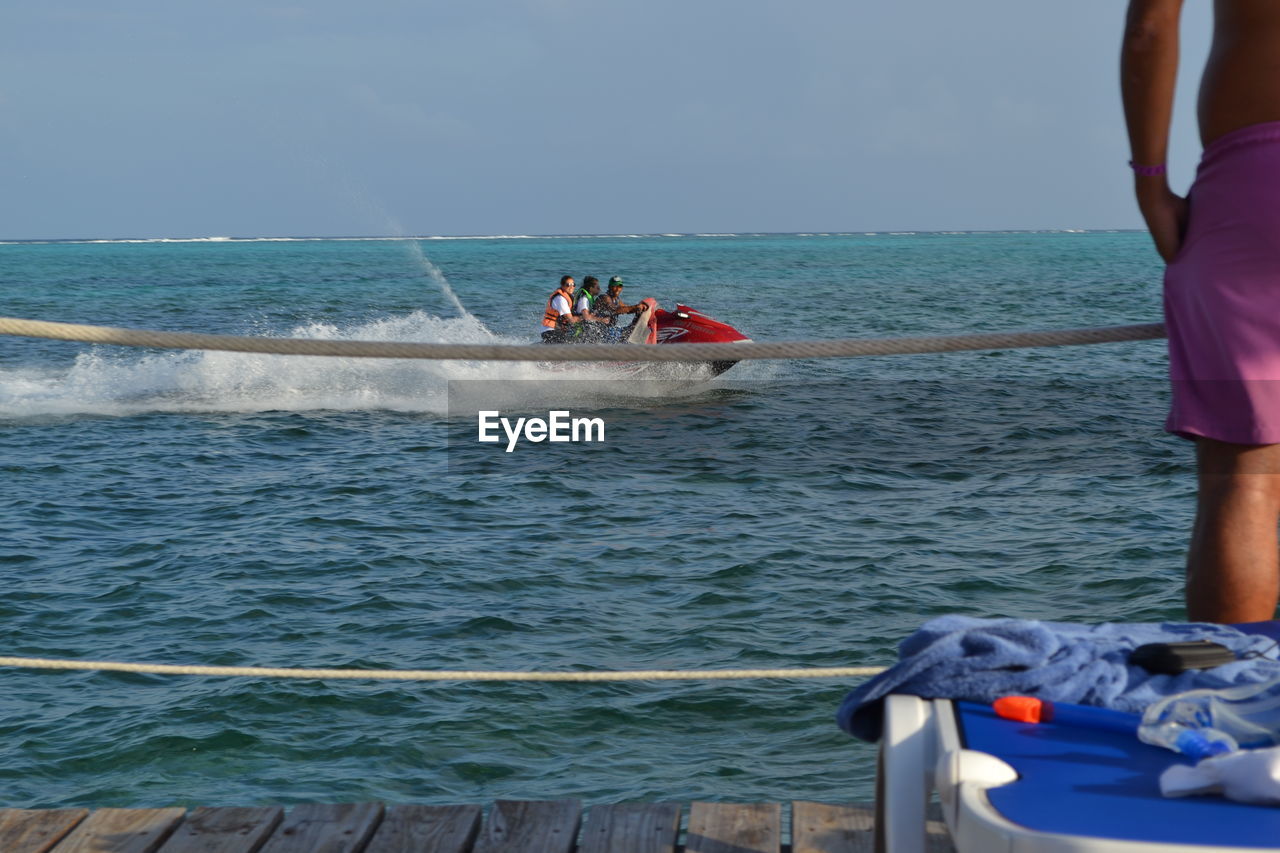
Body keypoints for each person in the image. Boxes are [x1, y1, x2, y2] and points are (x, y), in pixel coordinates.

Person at [1123, 0, 1280, 622]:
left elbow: (1150, 29)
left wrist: (1150, 183)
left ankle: (1227, 694)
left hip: (1257, 179)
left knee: (1246, 473)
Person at [540, 275, 580, 343]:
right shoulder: (560, 299)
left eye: (573, 284)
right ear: (562, 285)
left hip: (558, 329)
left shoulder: (568, 296)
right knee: (571, 343)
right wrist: (586, 318)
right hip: (549, 330)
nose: (571, 287)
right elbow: (571, 319)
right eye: (568, 285)